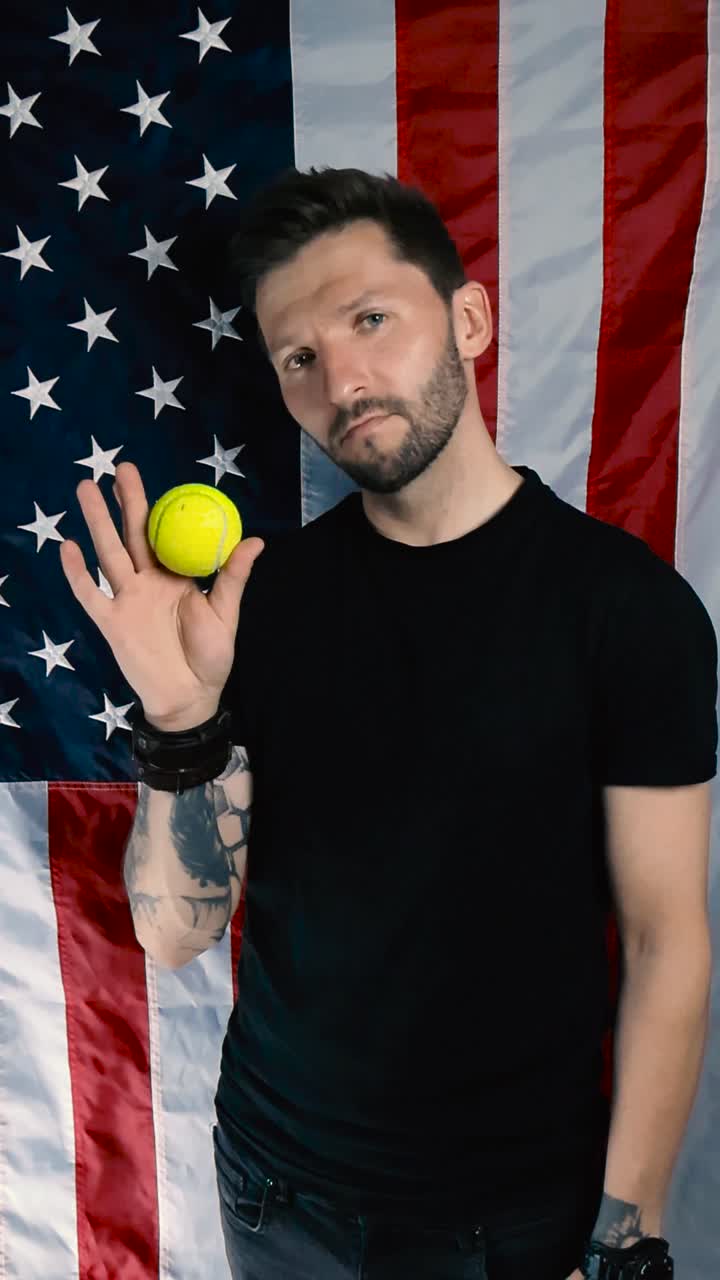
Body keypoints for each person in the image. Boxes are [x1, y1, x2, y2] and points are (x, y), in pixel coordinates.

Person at [59, 167, 717, 1280]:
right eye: (300, 358)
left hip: (514, 1216)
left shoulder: (628, 606)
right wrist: (180, 718)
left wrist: (627, 1230)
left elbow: (667, 938)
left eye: (370, 319)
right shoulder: (255, 602)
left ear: (467, 318)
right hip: (276, 1191)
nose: (345, 379)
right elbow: (175, 935)